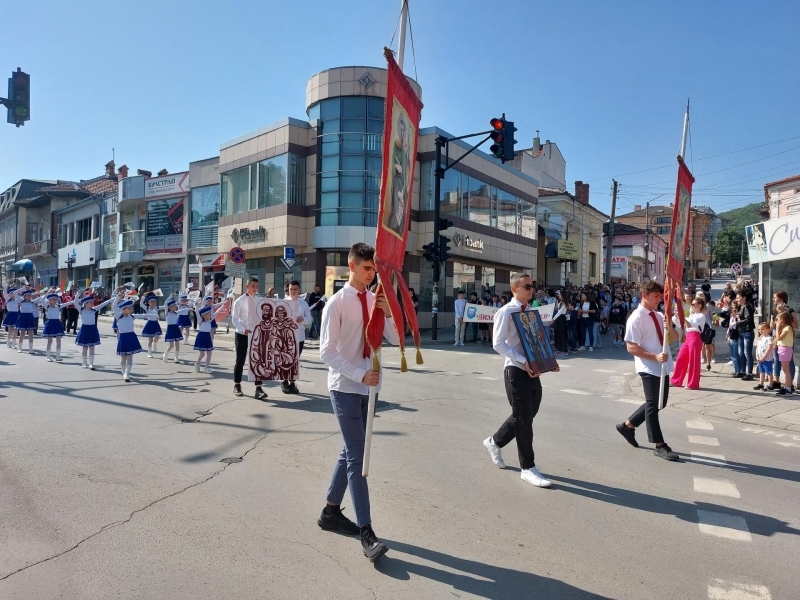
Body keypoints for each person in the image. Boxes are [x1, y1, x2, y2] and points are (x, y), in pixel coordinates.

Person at [317, 242, 400, 562]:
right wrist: (358, 374)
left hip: (370, 389)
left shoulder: (375, 299)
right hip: (344, 387)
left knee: (350, 450)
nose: (371, 275)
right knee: (357, 456)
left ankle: (330, 512)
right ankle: (367, 532)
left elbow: (391, 337)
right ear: (351, 266)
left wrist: (389, 314)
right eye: (367, 269)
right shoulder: (336, 303)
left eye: (374, 270)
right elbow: (327, 351)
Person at [482, 272, 559, 488]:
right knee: (524, 418)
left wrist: (548, 362)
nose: (530, 289)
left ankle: (494, 441)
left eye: (531, 286)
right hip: (516, 370)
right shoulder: (506, 312)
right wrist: (522, 360)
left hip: (532, 369)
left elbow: (536, 339)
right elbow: (498, 344)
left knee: (529, 412)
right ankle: (528, 467)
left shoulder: (530, 311)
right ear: (515, 289)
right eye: (526, 286)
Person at [615, 280, 678, 461]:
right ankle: (659, 445)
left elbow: (673, 338)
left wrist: (670, 325)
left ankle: (627, 426)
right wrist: (654, 357)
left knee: (659, 403)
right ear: (645, 295)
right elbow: (631, 347)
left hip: (662, 366)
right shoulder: (636, 318)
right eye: (656, 296)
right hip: (648, 366)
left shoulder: (659, 315)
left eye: (660, 296)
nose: (659, 299)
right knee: (652, 404)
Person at [231, 277, 267, 400]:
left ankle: (258, 388)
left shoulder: (259, 301)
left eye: (257, 286)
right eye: (253, 286)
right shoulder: (239, 301)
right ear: (247, 286)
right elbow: (234, 319)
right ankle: (237, 385)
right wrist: (243, 330)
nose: (255, 289)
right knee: (240, 360)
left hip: (256, 334)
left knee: (257, 361)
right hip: (242, 335)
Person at [282, 280, 312, 394]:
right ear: (288, 290)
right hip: (286, 337)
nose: (293, 291)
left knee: (295, 361)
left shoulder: (303, 304)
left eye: (295, 289)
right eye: (291, 289)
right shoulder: (283, 302)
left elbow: (309, 319)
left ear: (299, 290)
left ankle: (292, 383)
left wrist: (302, 319)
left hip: (299, 337)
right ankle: (284, 381)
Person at [670, 296, 706, 390]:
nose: (692, 306)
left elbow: (689, 324)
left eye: (693, 304)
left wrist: (681, 316)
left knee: (694, 362)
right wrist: (677, 316)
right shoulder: (692, 315)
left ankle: (692, 384)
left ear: (700, 305)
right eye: (692, 304)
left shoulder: (701, 316)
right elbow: (680, 323)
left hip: (695, 338)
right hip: (688, 338)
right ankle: (676, 380)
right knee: (680, 358)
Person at [112, 292, 147, 382]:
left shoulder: (132, 317)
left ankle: (127, 374)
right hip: (123, 338)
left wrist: (154, 315)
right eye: (129, 308)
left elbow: (143, 315)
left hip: (131, 337)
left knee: (130, 357)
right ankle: (123, 372)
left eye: (131, 308)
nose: (131, 310)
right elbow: (114, 306)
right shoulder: (118, 317)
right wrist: (117, 297)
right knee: (123, 357)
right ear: (123, 309)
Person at [194, 300, 230, 374]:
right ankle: (197, 363)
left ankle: (206, 367)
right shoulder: (200, 321)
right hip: (201, 337)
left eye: (210, 314)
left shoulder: (210, 320)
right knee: (202, 354)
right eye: (209, 314)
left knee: (209, 353)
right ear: (204, 314)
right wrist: (196, 306)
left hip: (208, 336)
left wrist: (223, 305)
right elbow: (197, 313)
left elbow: (217, 313)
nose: (210, 315)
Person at [771, 291, 797, 391]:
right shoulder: (775, 310)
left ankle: (790, 385)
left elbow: (796, 325)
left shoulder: (789, 310)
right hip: (776, 337)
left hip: (784, 339)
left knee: (788, 363)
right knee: (776, 359)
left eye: (775, 298)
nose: (773, 299)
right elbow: (772, 322)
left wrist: (783, 322)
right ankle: (776, 382)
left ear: (781, 299)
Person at [37, 291, 68, 362]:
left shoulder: (58, 306)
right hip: (50, 323)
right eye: (53, 299)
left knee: (59, 340)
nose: (55, 301)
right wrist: (48, 292)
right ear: (49, 300)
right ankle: (48, 356)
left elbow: (68, 303)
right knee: (50, 341)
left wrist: (77, 299)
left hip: (57, 323)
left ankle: (58, 356)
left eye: (56, 299)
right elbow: (42, 300)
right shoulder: (47, 307)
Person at [735, 291, 756, 381]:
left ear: (744, 298)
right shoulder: (742, 307)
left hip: (747, 332)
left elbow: (748, 319)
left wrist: (736, 323)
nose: (737, 300)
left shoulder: (747, 306)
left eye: (738, 297)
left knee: (747, 353)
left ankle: (749, 373)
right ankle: (743, 371)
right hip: (741, 332)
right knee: (741, 352)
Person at [753, 322, 775, 391]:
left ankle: (770, 385)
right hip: (760, 358)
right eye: (759, 329)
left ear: (768, 330)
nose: (760, 331)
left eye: (762, 329)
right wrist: (757, 356)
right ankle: (761, 384)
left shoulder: (769, 339)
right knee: (762, 371)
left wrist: (764, 357)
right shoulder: (760, 338)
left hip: (767, 359)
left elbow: (769, 349)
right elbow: (757, 347)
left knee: (769, 372)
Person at [140, 293, 163, 358]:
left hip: (156, 323)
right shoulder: (147, 308)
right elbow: (141, 304)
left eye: (154, 302)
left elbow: (165, 306)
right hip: (150, 323)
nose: (153, 303)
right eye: (151, 302)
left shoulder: (157, 308)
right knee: (150, 339)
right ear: (149, 303)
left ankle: (155, 343)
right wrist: (143, 296)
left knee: (157, 337)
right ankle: (149, 352)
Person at [162, 296, 183, 362]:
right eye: (173, 306)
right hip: (170, 328)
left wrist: (189, 309)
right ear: (169, 307)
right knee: (171, 345)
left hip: (176, 328)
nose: (175, 307)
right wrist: (170, 297)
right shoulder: (167, 313)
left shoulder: (176, 313)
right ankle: (165, 354)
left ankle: (176, 357)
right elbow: (165, 303)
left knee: (177, 344)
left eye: (175, 306)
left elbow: (182, 310)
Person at [3, 282, 20, 349]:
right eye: (11, 293)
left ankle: (13, 343)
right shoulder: (8, 300)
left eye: (14, 292)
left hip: (16, 315)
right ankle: (8, 342)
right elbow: (4, 291)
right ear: (9, 294)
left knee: (15, 330)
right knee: (10, 330)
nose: (13, 294)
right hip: (10, 314)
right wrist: (7, 283)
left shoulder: (17, 300)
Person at [552, 291, 569, 356]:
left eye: (559, 294)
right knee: (558, 334)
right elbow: (557, 309)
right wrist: (556, 303)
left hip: (562, 318)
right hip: (559, 318)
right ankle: (559, 349)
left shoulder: (564, 303)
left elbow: (560, 312)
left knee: (563, 334)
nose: (558, 295)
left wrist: (553, 319)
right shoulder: (560, 302)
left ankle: (564, 350)